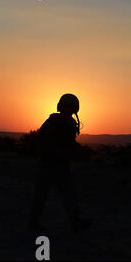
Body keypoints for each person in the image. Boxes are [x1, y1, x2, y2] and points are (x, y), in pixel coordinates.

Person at [30, 94, 91, 233]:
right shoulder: (58, 122)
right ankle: (74, 223)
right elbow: (46, 141)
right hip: (53, 164)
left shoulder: (63, 122)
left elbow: (66, 143)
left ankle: (74, 223)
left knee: (55, 195)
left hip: (55, 164)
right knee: (61, 195)